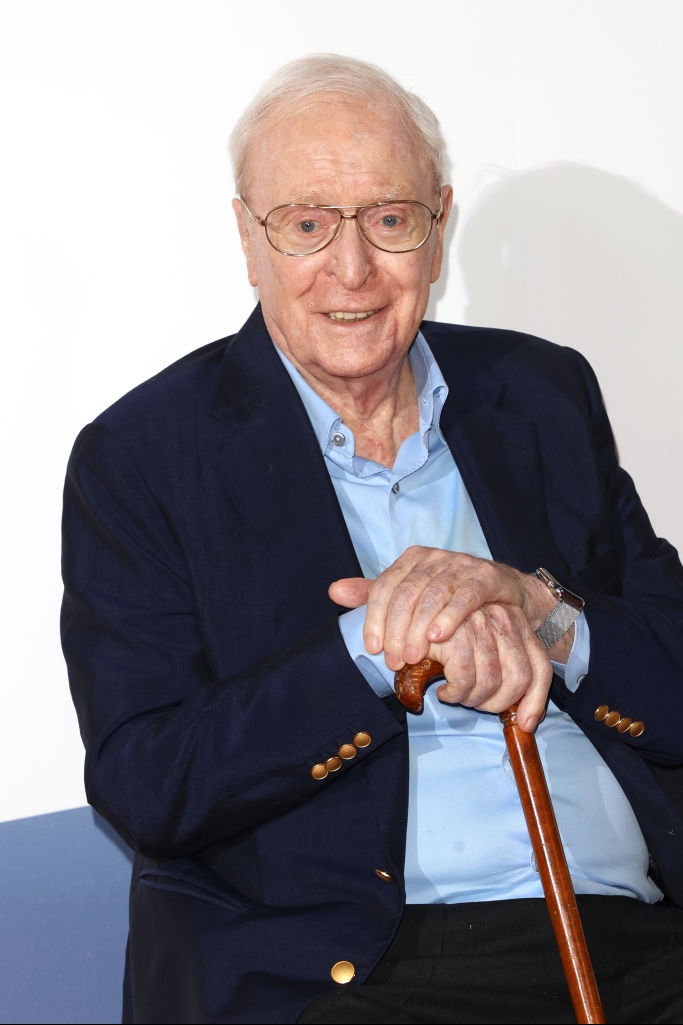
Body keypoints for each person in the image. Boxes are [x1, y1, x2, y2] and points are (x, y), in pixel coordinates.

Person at [60, 52, 683, 1025]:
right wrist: (375, 645)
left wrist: (542, 613)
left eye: (388, 220)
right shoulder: (145, 453)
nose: (350, 270)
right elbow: (147, 782)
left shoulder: (541, 394)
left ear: (437, 230)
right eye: (307, 224)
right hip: (347, 969)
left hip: (626, 939)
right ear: (248, 238)